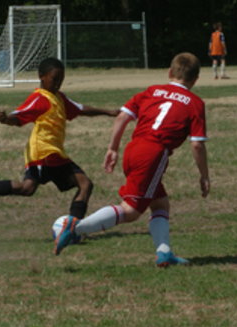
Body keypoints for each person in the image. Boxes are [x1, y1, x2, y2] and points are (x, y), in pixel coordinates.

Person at [54, 52, 210, 267]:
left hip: (133, 149)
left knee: (160, 202)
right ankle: (75, 228)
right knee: (131, 211)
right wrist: (204, 176)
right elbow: (197, 144)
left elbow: (122, 116)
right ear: (196, 79)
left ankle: (164, 253)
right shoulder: (195, 103)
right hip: (153, 154)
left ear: (170, 72)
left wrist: (113, 148)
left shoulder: (151, 91)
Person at [0, 58, 118, 224]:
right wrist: (7, 119)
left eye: (61, 79)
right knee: (85, 184)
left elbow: (80, 109)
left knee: (26, 188)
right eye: (55, 79)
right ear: (41, 77)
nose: (58, 83)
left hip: (48, 152)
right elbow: (20, 115)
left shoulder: (59, 97)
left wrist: (109, 112)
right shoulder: (40, 99)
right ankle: (72, 227)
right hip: (46, 152)